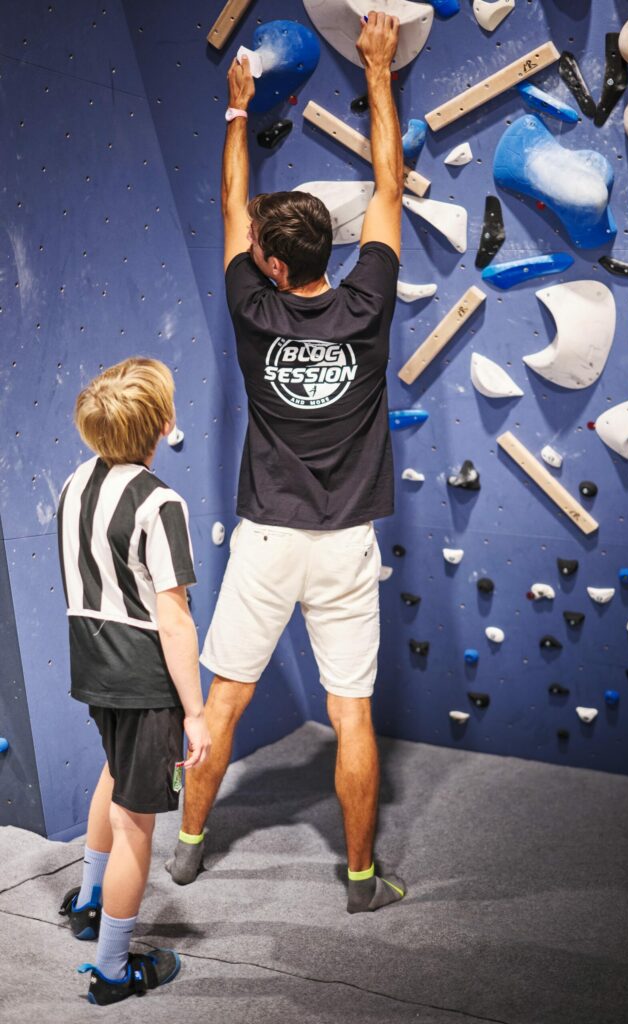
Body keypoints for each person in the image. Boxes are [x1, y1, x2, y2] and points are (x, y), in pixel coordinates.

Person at [166, 11, 406, 914]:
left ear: (267, 264)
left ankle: (189, 848)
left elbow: (232, 207)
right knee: (352, 715)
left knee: (220, 704)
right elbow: (387, 182)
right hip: (344, 545)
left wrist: (236, 114)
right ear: (328, 256)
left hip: (268, 543)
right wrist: (377, 71)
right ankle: (358, 880)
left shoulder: (249, 307)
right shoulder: (368, 299)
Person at [57, 357, 212, 1005]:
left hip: (91, 662)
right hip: (144, 674)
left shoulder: (73, 483)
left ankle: (90, 901)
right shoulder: (161, 503)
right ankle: (113, 970)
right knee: (136, 825)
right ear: (163, 425)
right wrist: (196, 712)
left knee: (112, 774)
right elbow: (173, 618)